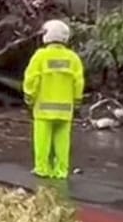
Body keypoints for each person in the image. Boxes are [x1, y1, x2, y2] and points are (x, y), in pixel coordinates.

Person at [23, 20, 84, 179]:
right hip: (65, 110)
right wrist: (77, 101)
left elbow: (31, 79)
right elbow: (79, 82)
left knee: (42, 141)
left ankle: (42, 169)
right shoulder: (73, 58)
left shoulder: (40, 56)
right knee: (62, 142)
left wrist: (29, 97)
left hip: (43, 110)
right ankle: (61, 171)